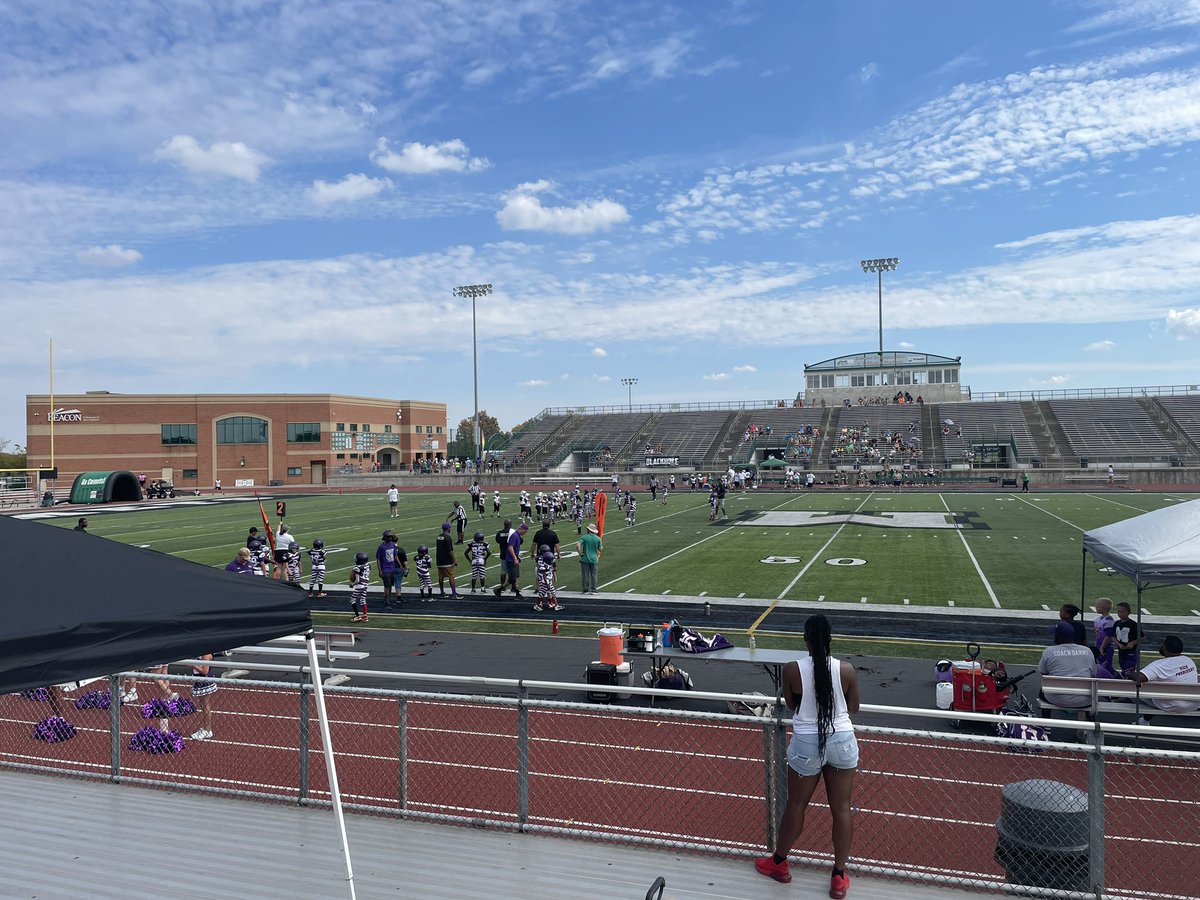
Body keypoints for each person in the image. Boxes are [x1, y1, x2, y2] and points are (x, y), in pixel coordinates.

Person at [756, 614, 859, 898]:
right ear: (830, 639)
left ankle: (779, 863)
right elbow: (853, 707)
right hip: (842, 740)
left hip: (806, 743)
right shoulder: (846, 670)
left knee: (796, 806)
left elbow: (791, 704)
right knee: (841, 808)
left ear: (806, 639)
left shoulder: (792, 670)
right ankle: (839, 876)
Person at [1129, 636, 1199, 724]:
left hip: (1172, 704)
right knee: (1158, 684)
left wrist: (1130, 674)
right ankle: (1144, 720)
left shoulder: (1159, 665)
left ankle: (1142, 720)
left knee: (1139, 689)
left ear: (1165, 647)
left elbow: (1139, 677)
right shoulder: (1189, 660)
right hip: (1194, 703)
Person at [1038, 621, 1097, 709]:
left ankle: (1045, 721)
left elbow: (1043, 672)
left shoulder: (1049, 651)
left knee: (1042, 691)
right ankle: (1090, 720)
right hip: (1084, 699)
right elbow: (1093, 674)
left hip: (1057, 698)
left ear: (1057, 636)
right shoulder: (1087, 651)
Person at [189, 653, 218, 741]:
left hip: (205, 681)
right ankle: (206, 729)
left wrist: (193, 665)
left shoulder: (206, 655)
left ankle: (207, 729)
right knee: (203, 705)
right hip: (199, 681)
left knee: (205, 705)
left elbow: (205, 671)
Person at [496, 522, 529, 599]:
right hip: (510, 560)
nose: (525, 533)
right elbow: (510, 547)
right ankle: (498, 590)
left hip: (514, 559)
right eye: (525, 531)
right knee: (512, 578)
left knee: (517, 577)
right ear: (522, 529)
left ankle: (517, 594)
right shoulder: (514, 536)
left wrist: (517, 557)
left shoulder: (516, 535)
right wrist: (515, 558)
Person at [435, 522, 462, 599]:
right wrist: (454, 560)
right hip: (446, 560)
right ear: (448, 528)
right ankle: (454, 593)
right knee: (451, 576)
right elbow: (450, 550)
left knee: (441, 577)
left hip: (439, 560)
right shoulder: (448, 538)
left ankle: (442, 592)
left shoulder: (439, 537)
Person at [376, 530, 403, 608]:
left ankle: (388, 600)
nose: (390, 538)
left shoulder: (392, 545)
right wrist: (380, 571)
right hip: (385, 570)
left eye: (391, 536)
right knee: (387, 586)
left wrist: (400, 565)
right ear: (385, 538)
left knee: (390, 586)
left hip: (392, 568)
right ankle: (387, 603)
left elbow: (395, 556)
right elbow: (378, 559)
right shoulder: (381, 547)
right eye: (388, 537)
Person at [1113, 602, 1140, 674]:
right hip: (1121, 651)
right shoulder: (1116, 623)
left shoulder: (1133, 624)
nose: (1120, 614)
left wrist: (1132, 642)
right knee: (1123, 669)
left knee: (1129, 671)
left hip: (1131, 651)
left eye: (1123, 612)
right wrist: (1118, 644)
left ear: (1129, 612)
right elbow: (1113, 636)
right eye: (1118, 611)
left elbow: (1142, 637)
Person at [578, 523, 602, 594]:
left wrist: (580, 553)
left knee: (585, 575)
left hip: (585, 558)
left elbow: (577, 545)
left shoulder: (584, 537)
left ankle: (585, 589)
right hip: (594, 558)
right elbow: (600, 549)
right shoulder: (598, 539)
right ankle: (594, 589)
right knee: (594, 575)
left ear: (588, 530)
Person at [1093, 597, 1115, 670]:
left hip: (1106, 647)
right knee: (1099, 664)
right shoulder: (1100, 619)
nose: (1096, 607)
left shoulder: (1108, 621)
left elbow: (1109, 635)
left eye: (1098, 606)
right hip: (1099, 644)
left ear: (1104, 608)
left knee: (1106, 666)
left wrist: (1102, 647)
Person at [349, 551, 371, 622]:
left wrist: (352, 584)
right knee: (363, 600)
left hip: (360, 585)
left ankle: (357, 616)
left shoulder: (357, 568)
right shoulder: (368, 566)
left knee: (352, 600)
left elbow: (357, 580)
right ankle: (365, 616)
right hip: (365, 585)